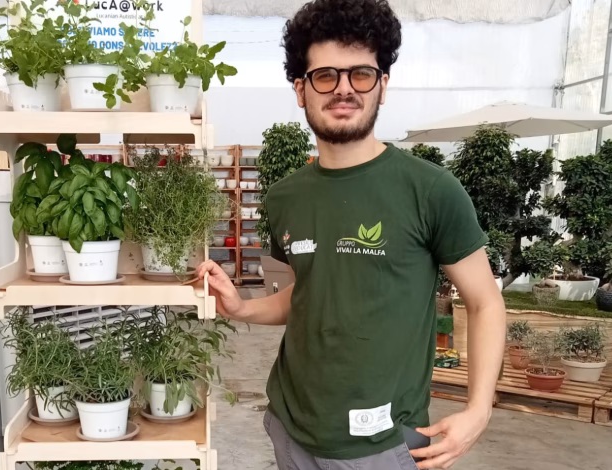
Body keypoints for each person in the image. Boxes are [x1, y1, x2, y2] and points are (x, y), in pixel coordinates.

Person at [197, 1, 506, 469]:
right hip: (290, 428)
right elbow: (309, 293)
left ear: (383, 84)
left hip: (382, 443)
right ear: (300, 89)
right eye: (325, 76)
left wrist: (479, 410)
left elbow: (485, 302)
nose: (344, 88)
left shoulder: (430, 190)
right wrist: (242, 308)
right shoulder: (285, 197)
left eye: (360, 74)